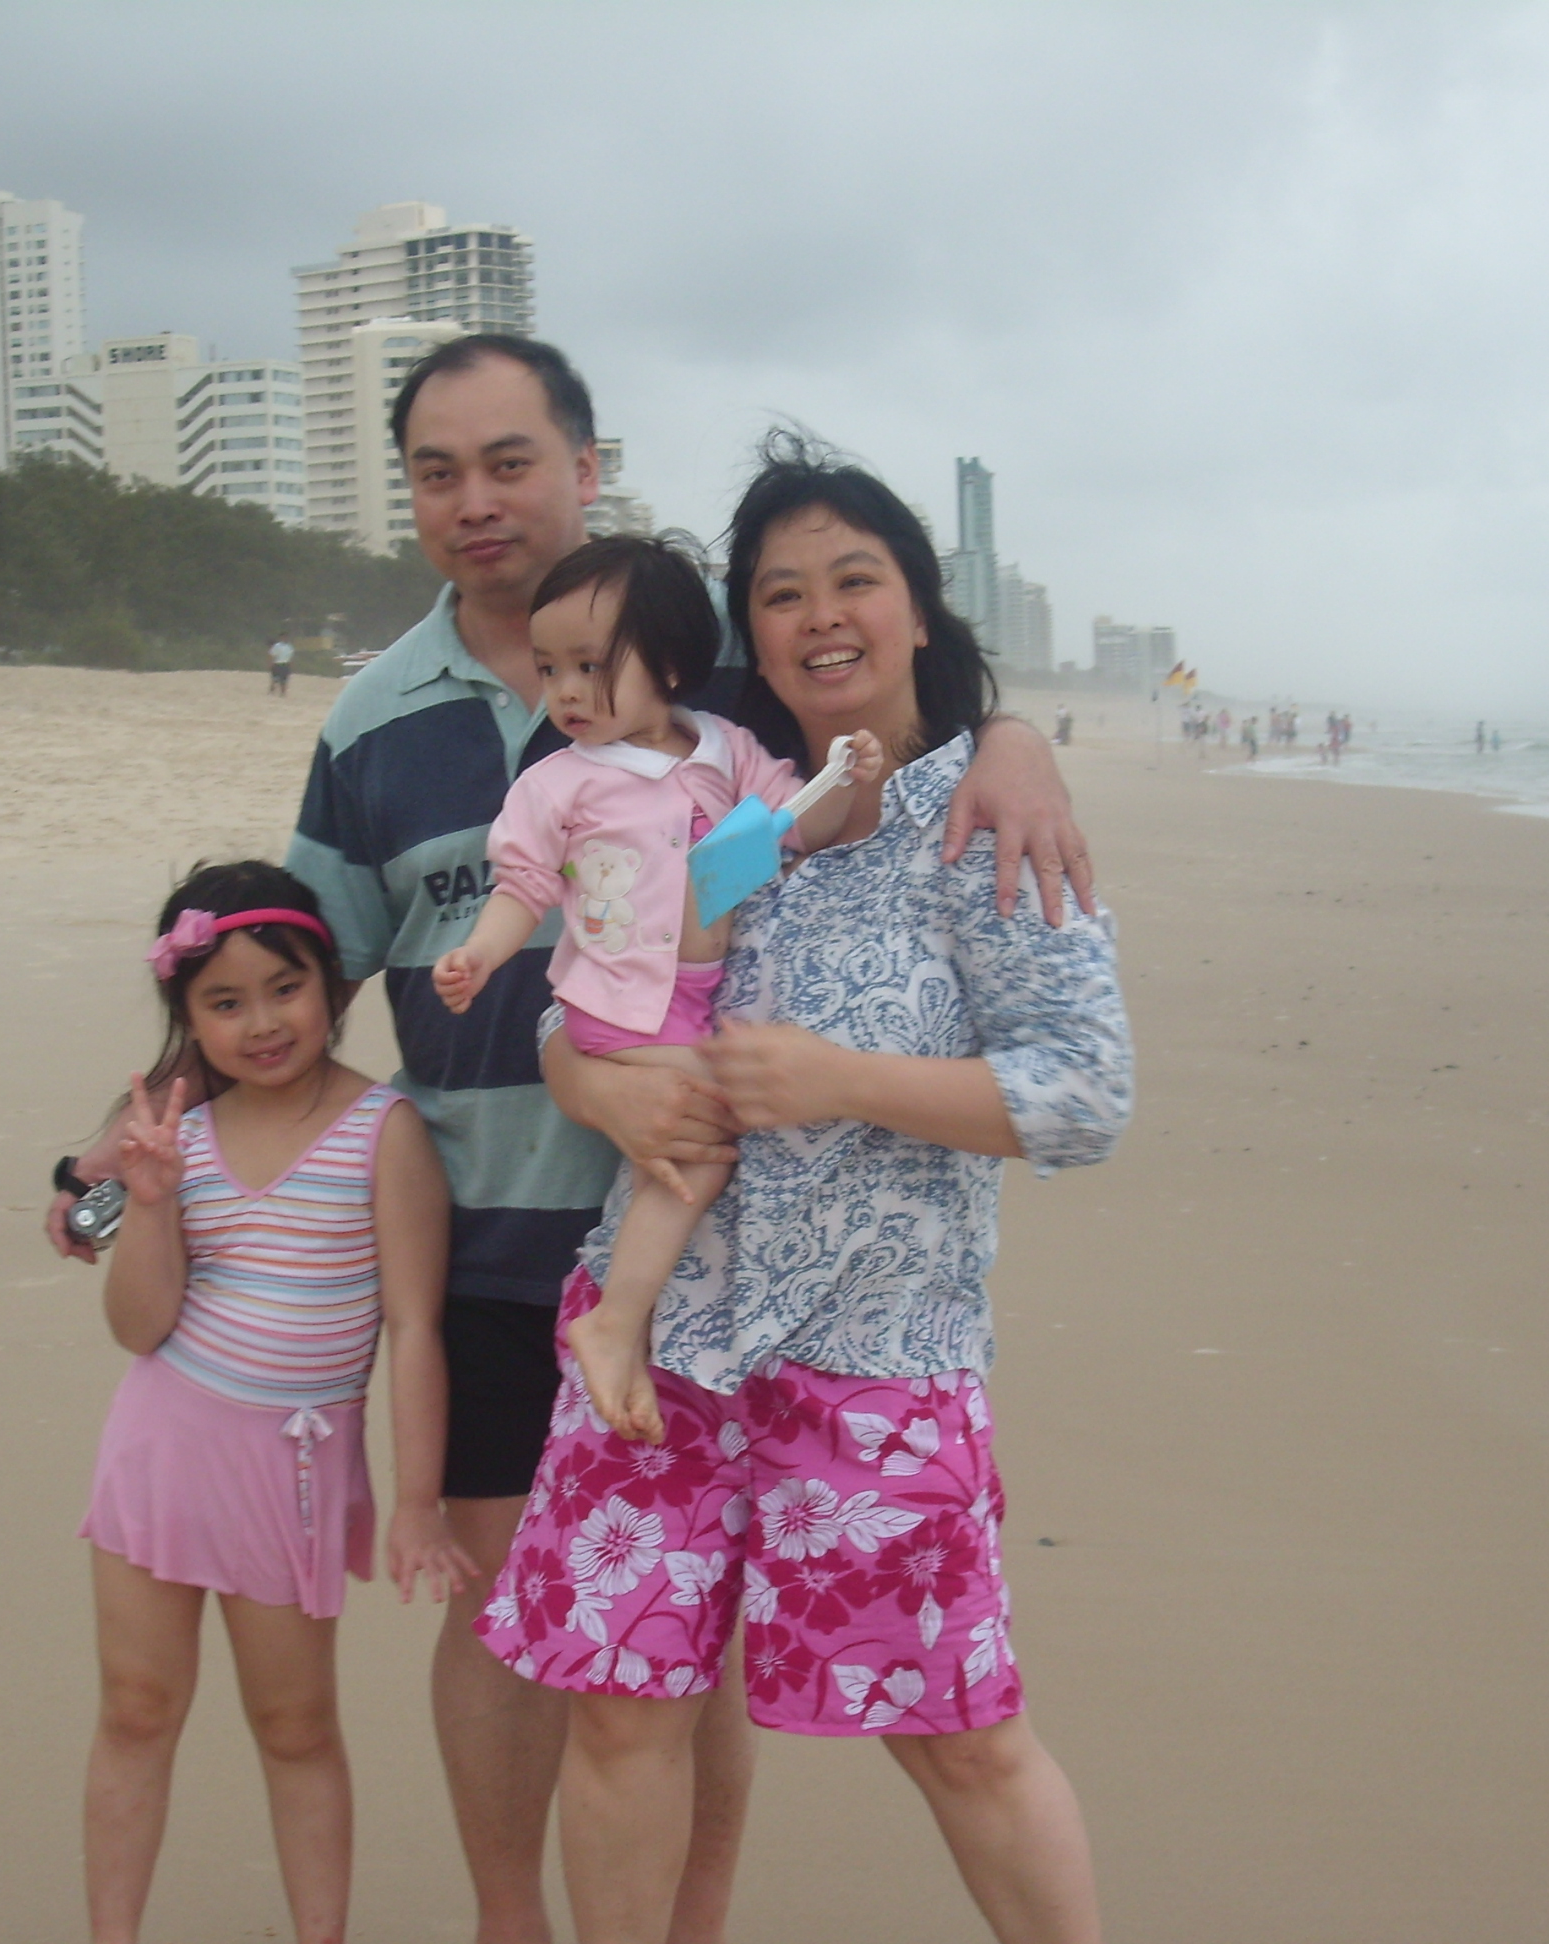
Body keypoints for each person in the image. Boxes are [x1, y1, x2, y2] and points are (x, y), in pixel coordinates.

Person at [49, 334, 1093, 1944]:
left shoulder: (716, 670)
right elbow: (283, 964)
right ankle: (507, 1923)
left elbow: (888, 727)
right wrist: (115, 1159)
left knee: (681, 1655)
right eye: (437, 471)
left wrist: (1019, 743)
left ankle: (691, 1924)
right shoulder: (376, 718)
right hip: (479, 1230)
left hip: (717, 1258)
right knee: (514, 1621)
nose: (474, 498)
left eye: (510, 461)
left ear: (584, 467)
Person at [478, 438, 1132, 1944]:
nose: (822, 615)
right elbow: (606, 983)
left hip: (876, 1359)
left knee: (959, 1735)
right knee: (618, 1716)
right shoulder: (727, 805)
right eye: (783, 593)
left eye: (856, 579)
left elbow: (1087, 1092)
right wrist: (580, 1079)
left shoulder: (988, 812)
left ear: (918, 607)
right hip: (657, 1343)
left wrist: (843, 1079)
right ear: (750, 635)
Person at [79, 860, 471, 1944]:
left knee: (295, 1725)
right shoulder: (183, 1139)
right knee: (136, 1709)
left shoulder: (382, 1130)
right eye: (225, 1002)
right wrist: (147, 1204)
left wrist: (417, 1502)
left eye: (284, 989)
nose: (261, 1023)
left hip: (290, 1471)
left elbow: (414, 1328)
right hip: (161, 1450)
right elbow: (137, 1328)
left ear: (332, 987)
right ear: (188, 1018)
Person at [434, 535, 880, 1445]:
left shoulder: (725, 747)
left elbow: (798, 821)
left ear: (670, 665)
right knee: (704, 1145)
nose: (564, 691)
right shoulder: (559, 782)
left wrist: (847, 777)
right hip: (619, 1007)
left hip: (696, 993)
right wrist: (479, 953)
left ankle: (629, 1330)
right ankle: (614, 1325)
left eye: (591, 666)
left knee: (671, 1160)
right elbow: (523, 886)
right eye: (550, 668)